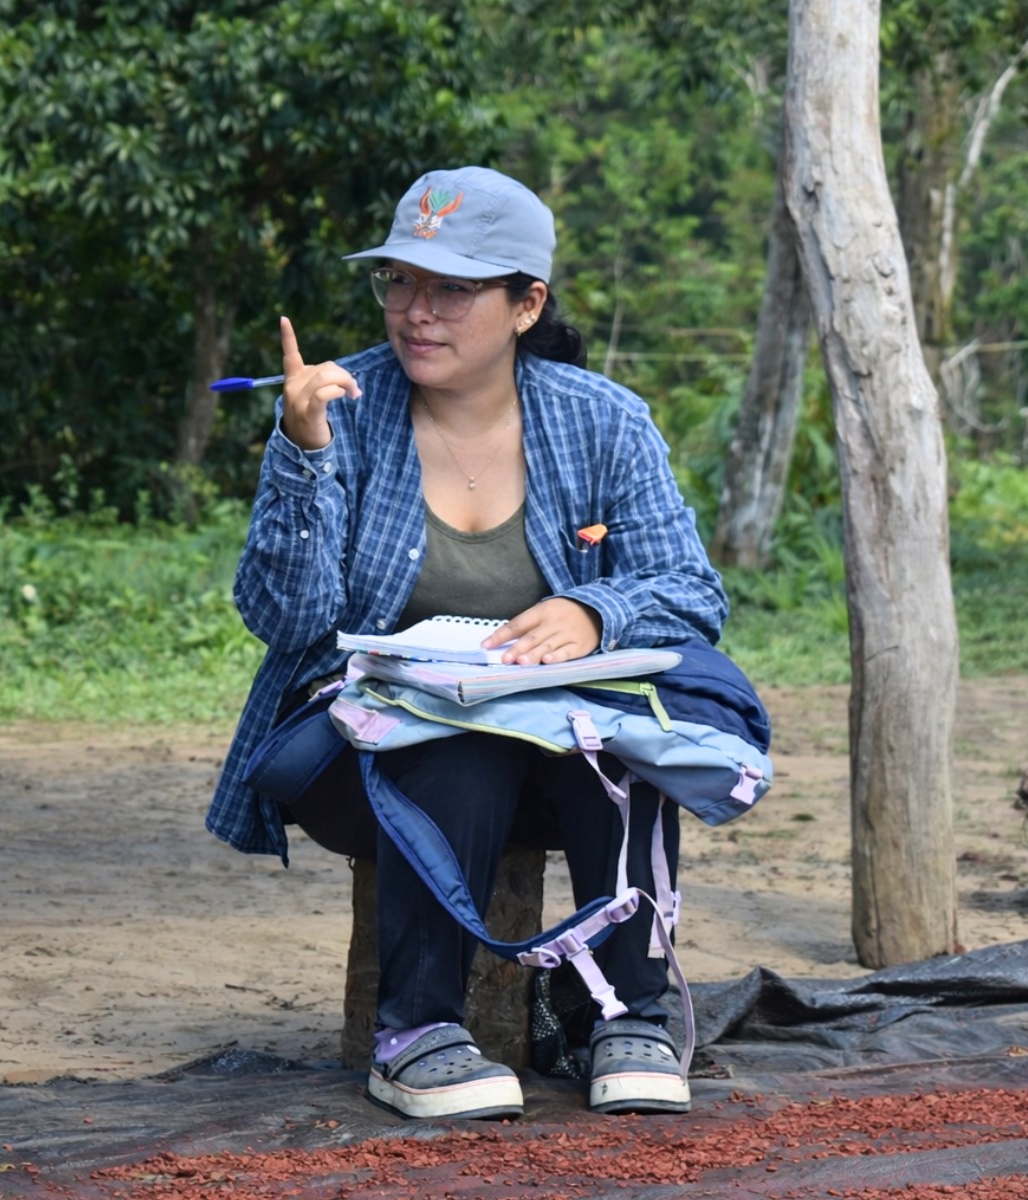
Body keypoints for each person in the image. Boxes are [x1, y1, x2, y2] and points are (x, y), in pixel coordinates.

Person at [206, 167, 727, 1121]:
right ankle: (415, 1035)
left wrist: (595, 613)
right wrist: (302, 452)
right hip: (365, 759)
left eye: (451, 288)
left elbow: (693, 593)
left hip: (554, 764)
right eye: (399, 281)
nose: (416, 312)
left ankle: (630, 1015)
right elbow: (288, 622)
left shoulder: (602, 420)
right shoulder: (341, 408)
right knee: (457, 742)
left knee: (632, 741)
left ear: (526, 303)